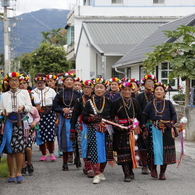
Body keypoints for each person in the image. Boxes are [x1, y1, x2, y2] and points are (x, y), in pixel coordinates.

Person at [0, 72, 32, 183]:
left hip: (21, 122)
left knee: (19, 149)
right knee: (9, 149)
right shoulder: (3, 95)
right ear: (8, 82)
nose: (14, 82)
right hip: (8, 122)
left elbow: (29, 107)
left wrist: (23, 107)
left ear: (19, 82)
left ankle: (19, 172)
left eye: (16, 80)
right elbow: (0, 109)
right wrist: (3, 113)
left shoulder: (24, 93)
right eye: (12, 80)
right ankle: (11, 174)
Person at [143, 82, 177, 180]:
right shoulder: (150, 104)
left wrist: (171, 123)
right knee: (155, 151)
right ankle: (153, 169)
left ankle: (162, 172)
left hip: (166, 130)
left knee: (165, 152)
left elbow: (174, 116)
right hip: (153, 129)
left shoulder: (169, 103)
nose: (159, 91)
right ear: (154, 92)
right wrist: (146, 127)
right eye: (157, 90)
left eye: (161, 90)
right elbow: (144, 116)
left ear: (164, 92)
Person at [82, 78, 113, 184]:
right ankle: (96, 174)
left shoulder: (109, 101)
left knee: (106, 151)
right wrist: (93, 119)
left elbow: (112, 116)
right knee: (95, 151)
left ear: (105, 89)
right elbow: (84, 118)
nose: (99, 90)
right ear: (93, 89)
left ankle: (101, 171)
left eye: (101, 87)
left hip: (106, 129)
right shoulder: (89, 102)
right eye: (97, 87)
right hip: (93, 129)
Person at [111, 81, 143, 182]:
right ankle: (126, 173)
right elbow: (112, 116)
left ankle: (131, 170)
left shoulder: (135, 102)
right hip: (121, 130)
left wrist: (141, 127)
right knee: (123, 151)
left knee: (132, 150)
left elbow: (140, 115)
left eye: (129, 90)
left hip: (133, 129)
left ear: (131, 91)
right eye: (125, 90)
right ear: (121, 91)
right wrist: (118, 125)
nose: (127, 92)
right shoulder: (116, 102)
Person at [52, 73, 81, 171]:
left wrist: (76, 109)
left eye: (71, 80)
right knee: (65, 139)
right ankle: (64, 162)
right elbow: (54, 107)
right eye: (67, 80)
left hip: (76, 119)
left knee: (77, 139)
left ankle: (77, 159)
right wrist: (62, 109)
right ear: (63, 82)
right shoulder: (60, 94)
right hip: (64, 120)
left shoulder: (78, 94)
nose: (69, 82)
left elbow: (83, 106)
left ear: (73, 82)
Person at [70, 80, 94, 178]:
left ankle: (93, 165)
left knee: (94, 145)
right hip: (82, 126)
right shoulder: (79, 100)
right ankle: (88, 166)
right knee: (84, 145)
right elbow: (74, 115)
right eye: (85, 87)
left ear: (92, 89)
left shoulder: (96, 100)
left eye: (89, 87)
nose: (87, 89)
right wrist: (72, 129)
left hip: (94, 125)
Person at [19, 74, 40, 176]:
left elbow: (37, 116)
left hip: (30, 129)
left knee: (28, 148)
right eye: (21, 83)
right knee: (21, 148)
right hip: (19, 128)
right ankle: (22, 166)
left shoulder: (32, 108)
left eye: (24, 83)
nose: (22, 85)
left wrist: (35, 122)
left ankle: (30, 163)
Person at [32, 73, 57, 161]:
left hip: (49, 114)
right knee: (40, 134)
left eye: (41, 82)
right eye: (38, 82)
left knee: (50, 133)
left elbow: (55, 103)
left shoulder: (51, 91)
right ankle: (43, 153)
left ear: (45, 82)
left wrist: (56, 116)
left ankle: (51, 153)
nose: (40, 84)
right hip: (38, 115)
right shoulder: (33, 92)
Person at [136, 74, 157, 174]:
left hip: (155, 124)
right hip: (143, 123)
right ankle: (144, 165)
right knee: (143, 145)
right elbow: (137, 111)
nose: (149, 84)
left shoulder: (156, 95)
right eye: (147, 82)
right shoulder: (139, 96)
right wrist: (140, 125)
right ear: (144, 84)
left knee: (154, 145)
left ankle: (152, 165)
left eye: (151, 82)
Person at [46, 73, 63, 157]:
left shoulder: (60, 90)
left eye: (51, 81)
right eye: (48, 81)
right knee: (51, 132)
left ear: (55, 81)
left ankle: (60, 148)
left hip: (58, 113)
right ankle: (50, 149)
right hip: (49, 113)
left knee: (59, 131)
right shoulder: (45, 90)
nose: (49, 83)